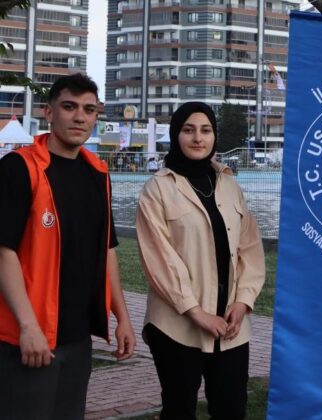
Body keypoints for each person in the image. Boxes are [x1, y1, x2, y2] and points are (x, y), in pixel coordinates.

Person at [0, 73, 136, 419]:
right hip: (27, 337)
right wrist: (29, 326)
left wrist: (122, 317)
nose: (80, 117)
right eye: (69, 107)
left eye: (89, 110)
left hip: (77, 337)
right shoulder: (19, 168)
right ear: (49, 112)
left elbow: (107, 249)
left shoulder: (98, 174)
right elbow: (4, 252)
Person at [136, 102, 265, 420]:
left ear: (214, 137)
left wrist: (243, 302)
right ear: (175, 135)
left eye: (205, 130)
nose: (198, 138)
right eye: (188, 130)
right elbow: (161, 260)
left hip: (231, 327)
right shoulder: (158, 190)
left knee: (231, 409)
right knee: (179, 410)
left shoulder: (230, 186)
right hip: (176, 327)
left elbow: (249, 248)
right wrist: (196, 312)